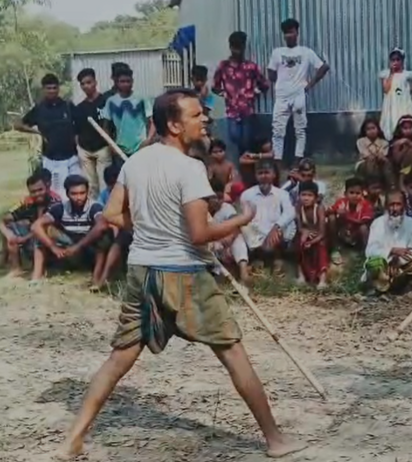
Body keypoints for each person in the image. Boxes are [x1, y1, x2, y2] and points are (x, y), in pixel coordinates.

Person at [54, 89, 303, 460]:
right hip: (185, 273)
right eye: (195, 115)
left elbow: (112, 214)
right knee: (233, 351)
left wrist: (152, 229)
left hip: (142, 271)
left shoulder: (135, 162)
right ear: (173, 124)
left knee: (118, 359)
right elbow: (200, 235)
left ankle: (73, 439)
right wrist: (241, 219)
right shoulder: (190, 168)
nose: (203, 120)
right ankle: (275, 440)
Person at [268, 18, 330, 164]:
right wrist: (281, 82)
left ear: (297, 32)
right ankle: (277, 162)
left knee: (300, 130)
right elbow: (270, 72)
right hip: (282, 96)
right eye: (286, 33)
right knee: (277, 130)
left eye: (291, 32)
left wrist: (310, 84)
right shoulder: (277, 52)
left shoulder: (306, 52)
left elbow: (324, 67)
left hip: (298, 95)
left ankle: (298, 162)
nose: (289, 35)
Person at [30, 175, 110, 286]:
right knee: (42, 232)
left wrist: (78, 247)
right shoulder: (60, 208)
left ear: (88, 192)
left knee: (103, 236)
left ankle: (96, 278)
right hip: (69, 245)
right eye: (74, 194)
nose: (79, 197)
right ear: (67, 194)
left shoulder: (94, 207)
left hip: (88, 248)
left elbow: (102, 225)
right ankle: (36, 276)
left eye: (82, 193)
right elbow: (35, 226)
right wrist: (53, 247)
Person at [15, 74, 80, 201]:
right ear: (43, 89)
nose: (52, 91)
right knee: (57, 195)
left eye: (54, 88)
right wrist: (37, 133)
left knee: (76, 190)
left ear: (58, 89)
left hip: (72, 157)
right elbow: (18, 125)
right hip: (52, 159)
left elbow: (79, 126)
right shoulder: (39, 109)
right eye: (48, 88)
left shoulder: (67, 106)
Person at [213, 31, 269, 162]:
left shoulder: (251, 66)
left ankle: (247, 166)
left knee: (247, 141)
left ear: (244, 47)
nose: (237, 51)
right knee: (234, 137)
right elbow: (215, 87)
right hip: (232, 110)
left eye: (240, 47)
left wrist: (254, 93)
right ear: (230, 47)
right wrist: (225, 94)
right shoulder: (223, 66)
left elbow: (264, 84)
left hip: (248, 110)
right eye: (234, 47)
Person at [364, 190, 412, 295]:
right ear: (386, 206)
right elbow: (370, 251)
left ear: (404, 205)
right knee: (375, 264)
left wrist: (399, 260)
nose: (395, 209)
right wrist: (391, 252)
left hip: (403, 267)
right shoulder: (377, 223)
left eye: (398, 204)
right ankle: (381, 286)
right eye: (391, 205)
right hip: (385, 267)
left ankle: (400, 284)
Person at [240, 159, 296, 273]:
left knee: (288, 224)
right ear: (256, 175)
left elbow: (290, 212)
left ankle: (277, 258)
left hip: (275, 231)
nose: (264, 176)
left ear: (273, 174)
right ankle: (258, 257)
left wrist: (276, 227)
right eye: (260, 173)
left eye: (267, 172)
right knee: (243, 226)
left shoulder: (282, 194)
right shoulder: (247, 195)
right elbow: (246, 218)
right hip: (257, 233)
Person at [0, 173, 59, 278]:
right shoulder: (29, 203)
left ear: (47, 187)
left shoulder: (55, 204)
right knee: (10, 228)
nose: (37, 194)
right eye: (33, 192)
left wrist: (24, 239)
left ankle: (40, 270)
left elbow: (46, 228)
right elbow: (3, 219)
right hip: (32, 238)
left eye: (40, 190)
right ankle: (15, 268)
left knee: (45, 231)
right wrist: (9, 235)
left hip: (50, 243)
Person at [73, 68, 112, 200]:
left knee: (104, 184)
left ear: (95, 82)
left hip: (103, 149)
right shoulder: (79, 108)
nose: (86, 86)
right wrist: (79, 148)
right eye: (82, 84)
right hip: (85, 151)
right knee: (90, 187)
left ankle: (105, 211)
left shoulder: (106, 102)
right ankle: (93, 214)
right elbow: (77, 130)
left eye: (88, 82)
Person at [102, 67, 155, 157]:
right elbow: (105, 126)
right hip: (120, 148)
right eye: (122, 81)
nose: (126, 84)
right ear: (117, 83)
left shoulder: (141, 98)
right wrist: (111, 145)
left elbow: (152, 121)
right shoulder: (111, 101)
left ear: (132, 81)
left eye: (128, 81)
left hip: (140, 146)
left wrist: (148, 140)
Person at [208, 179, 251, 286]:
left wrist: (228, 240)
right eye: (214, 198)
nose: (218, 201)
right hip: (212, 246)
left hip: (228, 243)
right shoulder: (202, 210)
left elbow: (236, 226)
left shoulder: (227, 208)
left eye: (220, 197)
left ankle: (244, 273)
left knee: (239, 239)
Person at [97, 162, 130, 290]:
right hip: (115, 228)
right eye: (110, 187)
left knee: (119, 239)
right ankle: (104, 278)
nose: (112, 190)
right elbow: (102, 213)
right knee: (115, 242)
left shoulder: (130, 192)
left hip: (131, 227)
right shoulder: (105, 194)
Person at [326, 177, 374, 264]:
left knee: (363, 228)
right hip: (343, 233)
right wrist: (334, 211)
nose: (355, 196)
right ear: (345, 194)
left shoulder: (366, 205)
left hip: (356, 236)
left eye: (358, 193)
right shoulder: (341, 202)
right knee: (331, 218)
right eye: (351, 193)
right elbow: (327, 212)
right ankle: (335, 249)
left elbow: (362, 222)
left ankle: (366, 251)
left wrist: (345, 216)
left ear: (362, 194)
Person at [379, 47, 412, 141]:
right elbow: (386, 89)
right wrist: (391, 74)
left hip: (403, 102)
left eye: (398, 59)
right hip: (391, 103)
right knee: (391, 120)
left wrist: (410, 90)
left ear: (402, 61)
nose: (396, 62)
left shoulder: (407, 74)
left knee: (405, 121)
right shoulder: (386, 74)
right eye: (393, 60)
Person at [295, 181, 329, 287]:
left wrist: (312, 241)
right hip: (307, 236)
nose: (306, 198)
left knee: (320, 247)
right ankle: (301, 275)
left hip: (319, 237)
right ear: (299, 196)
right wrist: (304, 233)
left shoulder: (319, 208)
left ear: (315, 197)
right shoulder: (299, 208)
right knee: (299, 244)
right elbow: (300, 227)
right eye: (303, 195)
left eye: (309, 195)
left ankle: (322, 279)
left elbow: (322, 232)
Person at [389, 114, 412, 189]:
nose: (408, 130)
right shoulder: (397, 141)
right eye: (405, 128)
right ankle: (401, 179)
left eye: (410, 128)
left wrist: (409, 143)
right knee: (411, 152)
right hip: (400, 166)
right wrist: (404, 149)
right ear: (400, 129)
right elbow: (396, 159)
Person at [355, 117, 393, 187]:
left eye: (373, 128)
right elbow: (365, 155)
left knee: (386, 162)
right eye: (368, 129)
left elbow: (383, 154)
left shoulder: (384, 142)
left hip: (380, 161)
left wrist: (380, 156)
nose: (371, 131)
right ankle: (370, 185)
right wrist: (376, 155)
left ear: (378, 129)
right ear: (364, 131)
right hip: (364, 163)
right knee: (370, 161)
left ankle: (390, 185)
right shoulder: (360, 141)